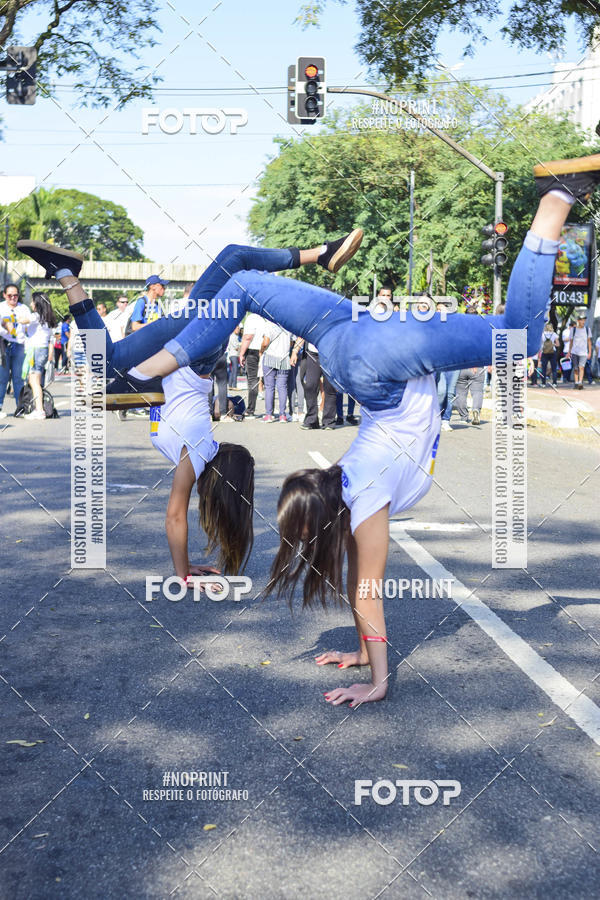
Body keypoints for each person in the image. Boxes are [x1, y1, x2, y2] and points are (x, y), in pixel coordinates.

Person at [22, 153, 596, 705]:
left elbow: (367, 589)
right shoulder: (355, 495)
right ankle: (152, 364)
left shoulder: (363, 502)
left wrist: (377, 679)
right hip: (343, 333)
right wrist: (363, 655)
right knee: (242, 283)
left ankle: (557, 197)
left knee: (518, 335)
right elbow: (362, 588)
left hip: (375, 362)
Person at [149, 365, 254, 579]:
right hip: (192, 359)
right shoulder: (198, 452)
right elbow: (174, 517)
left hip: (177, 359)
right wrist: (183, 576)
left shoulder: (197, 452)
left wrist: (184, 566)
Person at [24, 293, 56, 420]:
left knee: (34, 382)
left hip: (36, 351)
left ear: (37, 303)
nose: (30, 304)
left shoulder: (36, 316)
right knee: (34, 381)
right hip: (41, 350)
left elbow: (22, 320)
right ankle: (38, 408)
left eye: (32, 301)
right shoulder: (47, 317)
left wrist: (11, 318)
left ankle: (40, 410)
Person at [0, 283, 29, 418]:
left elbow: (29, 327)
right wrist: (6, 330)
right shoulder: (1, 307)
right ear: (4, 295)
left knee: (19, 378)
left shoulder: (24, 309)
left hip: (19, 345)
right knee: (2, 378)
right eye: (10, 295)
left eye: (15, 295)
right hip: (3, 345)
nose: (13, 298)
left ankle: (20, 407)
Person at [261, 321, 292, 422]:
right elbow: (292, 342)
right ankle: (282, 415)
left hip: (270, 357)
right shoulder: (288, 324)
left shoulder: (269, 324)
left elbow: (265, 342)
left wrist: (261, 351)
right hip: (284, 358)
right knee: (282, 387)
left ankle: (269, 415)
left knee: (269, 387)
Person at [238, 312, 266, 418]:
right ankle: (270, 411)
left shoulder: (251, 318)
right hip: (264, 349)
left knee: (252, 380)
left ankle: (250, 409)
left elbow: (248, 337)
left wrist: (241, 353)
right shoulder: (264, 318)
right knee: (268, 381)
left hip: (253, 350)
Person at [567, 309, 592, 390]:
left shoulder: (587, 329)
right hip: (574, 352)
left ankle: (580, 383)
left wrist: (590, 352)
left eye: (584, 320)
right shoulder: (573, 330)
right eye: (581, 320)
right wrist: (569, 352)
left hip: (584, 352)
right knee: (575, 368)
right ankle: (576, 382)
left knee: (581, 367)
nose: (583, 321)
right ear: (578, 321)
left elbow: (589, 342)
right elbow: (571, 342)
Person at [539, 320, 560, 386]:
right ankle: (554, 383)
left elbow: (540, 344)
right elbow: (558, 345)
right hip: (552, 352)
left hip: (544, 352)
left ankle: (543, 383)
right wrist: (553, 344)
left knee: (544, 369)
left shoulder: (542, 334)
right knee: (554, 369)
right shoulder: (554, 334)